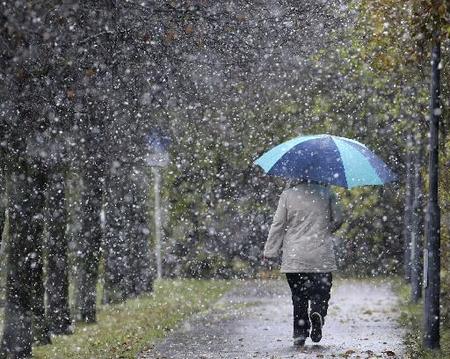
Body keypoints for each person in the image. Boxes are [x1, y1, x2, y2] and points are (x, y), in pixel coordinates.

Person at [263, 180, 343, 347]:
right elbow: (339, 219)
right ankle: (317, 312)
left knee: (299, 296)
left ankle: (300, 333)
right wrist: (326, 229)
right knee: (321, 291)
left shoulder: (287, 195)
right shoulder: (327, 193)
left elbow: (278, 224)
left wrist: (271, 251)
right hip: (321, 254)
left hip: (295, 255)